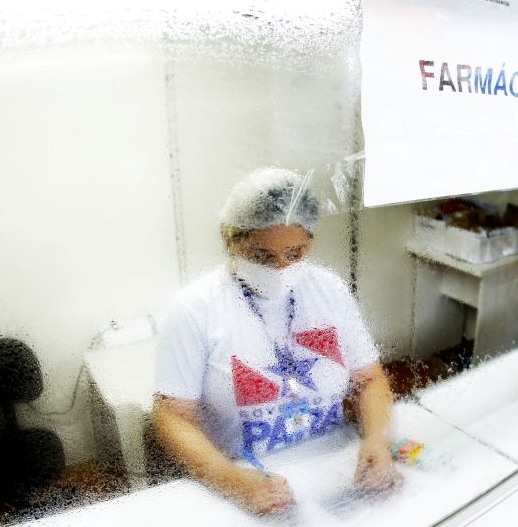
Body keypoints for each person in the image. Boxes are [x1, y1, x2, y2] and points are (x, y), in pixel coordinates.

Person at [151, 168, 402, 516]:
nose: (281, 266)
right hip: (246, 477)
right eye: (261, 256)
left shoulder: (329, 291)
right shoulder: (195, 308)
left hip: (335, 464)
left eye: (296, 252)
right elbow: (171, 417)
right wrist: (233, 481)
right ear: (231, 239)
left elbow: (370, 379)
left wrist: (376, 440)